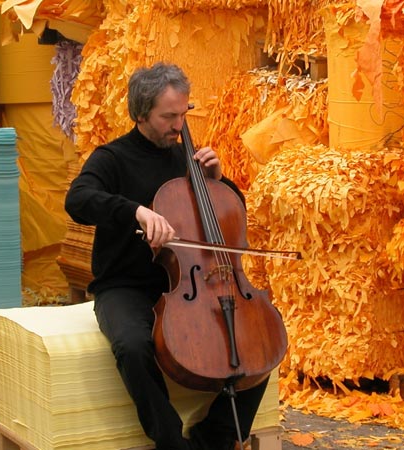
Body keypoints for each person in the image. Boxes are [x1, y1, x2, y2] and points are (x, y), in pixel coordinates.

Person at [64, 62, 269, 450]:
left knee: (260, 339)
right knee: (131, 345)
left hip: (198, 286)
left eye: (183, 114)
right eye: (168, 117)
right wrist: (135, 211)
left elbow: (229, 217)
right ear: (141, 114)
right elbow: (77, 200)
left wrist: (219, 181)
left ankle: (217, 437)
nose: (179, 127)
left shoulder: (189, 160)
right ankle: (172, 443)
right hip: (126, 286)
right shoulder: (111, 158)